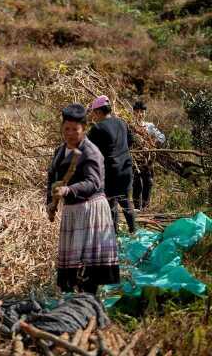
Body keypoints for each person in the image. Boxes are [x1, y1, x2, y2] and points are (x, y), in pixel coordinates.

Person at [47, 104, 119, 294]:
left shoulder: (91, 152)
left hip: (90, 210)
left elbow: (92, 182)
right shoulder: (60, 151)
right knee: (72, 262)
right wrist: (50, 200)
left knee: (87, 263)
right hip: (72, 212)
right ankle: (73, 298)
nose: (70, 133)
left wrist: (68, 190)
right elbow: (52, 177)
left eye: (75, 130)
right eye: (67, 129)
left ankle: (88, 300)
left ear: (84, 129)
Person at [87, 95, 136, 234]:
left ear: (98, 112)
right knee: (126, 201)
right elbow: (131, 141)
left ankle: (114, 237)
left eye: (93, 113)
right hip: (126, 168)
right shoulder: (121, 123)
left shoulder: (97, 128)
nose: (93, 116)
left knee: (111, 203)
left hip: (111, 172)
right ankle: (134, 232)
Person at [131, 101, 165, 211]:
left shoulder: (149, 126)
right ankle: (137, 208)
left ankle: (145, 208)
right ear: (133, 112)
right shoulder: (130, 126)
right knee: (137, 183)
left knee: (148, 182)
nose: (140, 114)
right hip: (134, 160)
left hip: (148, 160)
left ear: (145, 113)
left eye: (142, 112)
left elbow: (162, 137)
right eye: (137, 112)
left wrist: (153, 141)